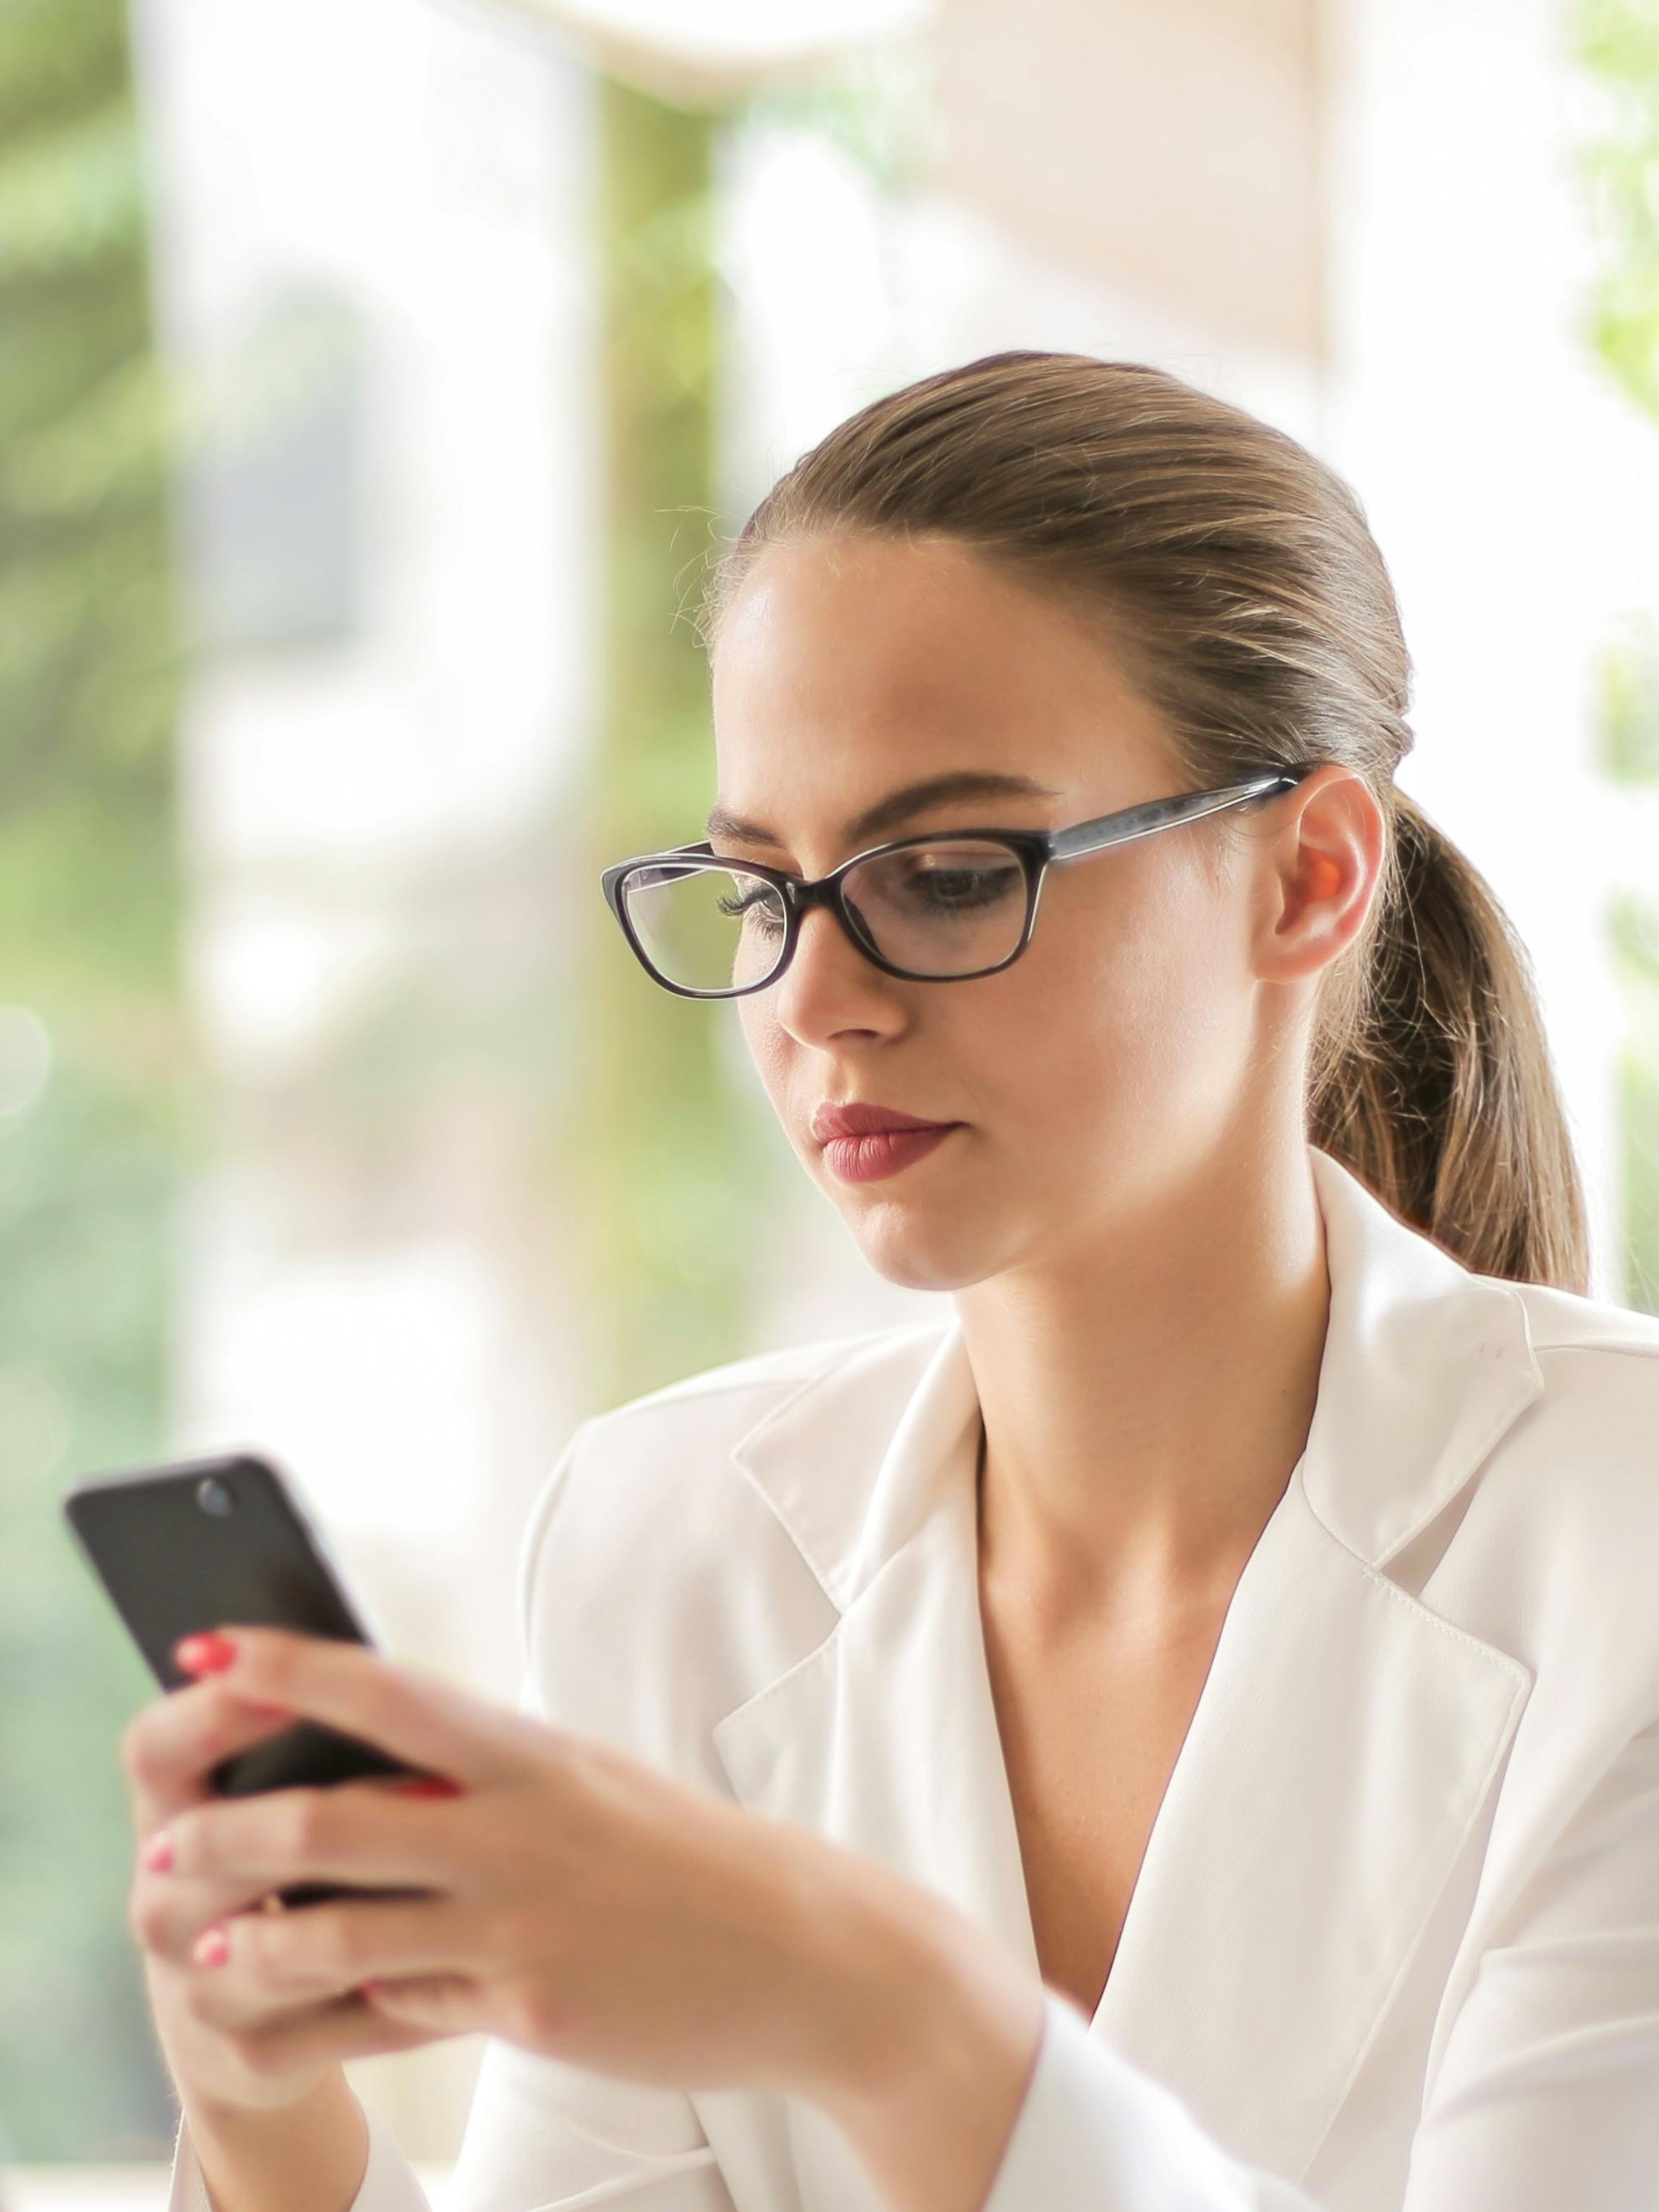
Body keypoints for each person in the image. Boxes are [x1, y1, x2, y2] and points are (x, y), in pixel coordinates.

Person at [126, 351, 1659, 2212]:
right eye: (763, 886)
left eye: (940, 873)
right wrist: (265, 2126)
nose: (810, 1000)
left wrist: (879, 2007)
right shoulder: (668, 1536)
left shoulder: (1618, 1533)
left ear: (1304, 876)